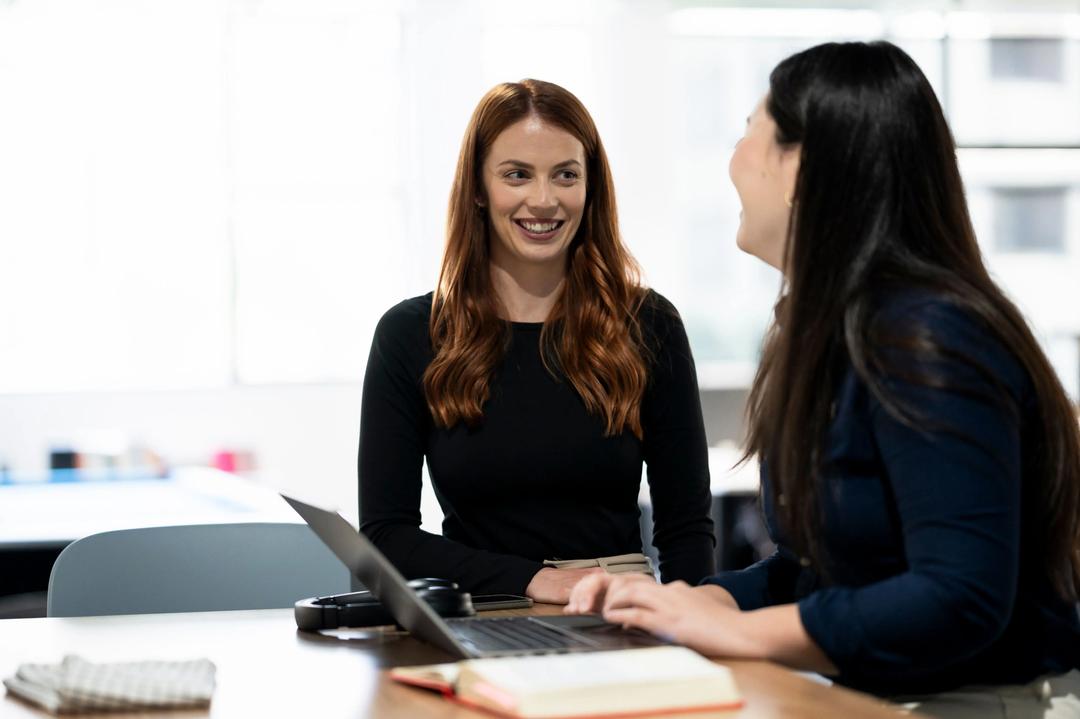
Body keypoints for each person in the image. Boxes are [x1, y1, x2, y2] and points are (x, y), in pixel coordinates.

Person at [567, 41, 1080, 716]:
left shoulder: (925, 335)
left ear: (800, 168)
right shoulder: (837, 332)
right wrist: (700, 602)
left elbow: (960, 595)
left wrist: (739, 631)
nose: (731, 161)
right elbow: (826, 569)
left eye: (748, 130)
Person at [358, 79, 715, 604]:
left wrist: (692, 629)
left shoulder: (649, 322)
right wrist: (534, 580)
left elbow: (685, 529)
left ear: (590, 187)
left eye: (565, 175)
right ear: (478, 188)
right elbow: (386, 538)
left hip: (616, 612)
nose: (543, 200)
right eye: (517, 175)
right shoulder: (411, 334)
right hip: (477, 613)